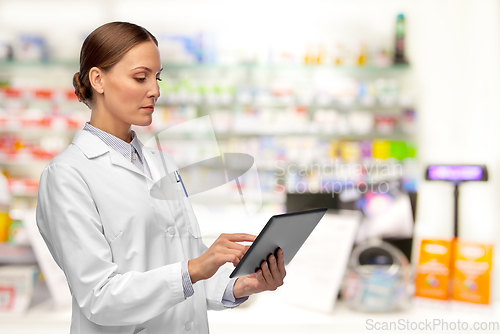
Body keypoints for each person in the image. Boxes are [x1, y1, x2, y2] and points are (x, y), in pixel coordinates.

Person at [36, 21, 286, 334]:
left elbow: (185, 278)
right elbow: (98, 297)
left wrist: (244, 284)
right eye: (141, 77)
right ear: (98, 79)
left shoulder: (162, 163)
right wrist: (194, 268)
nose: (155, 90)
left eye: (157, 77)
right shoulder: (67, 175)